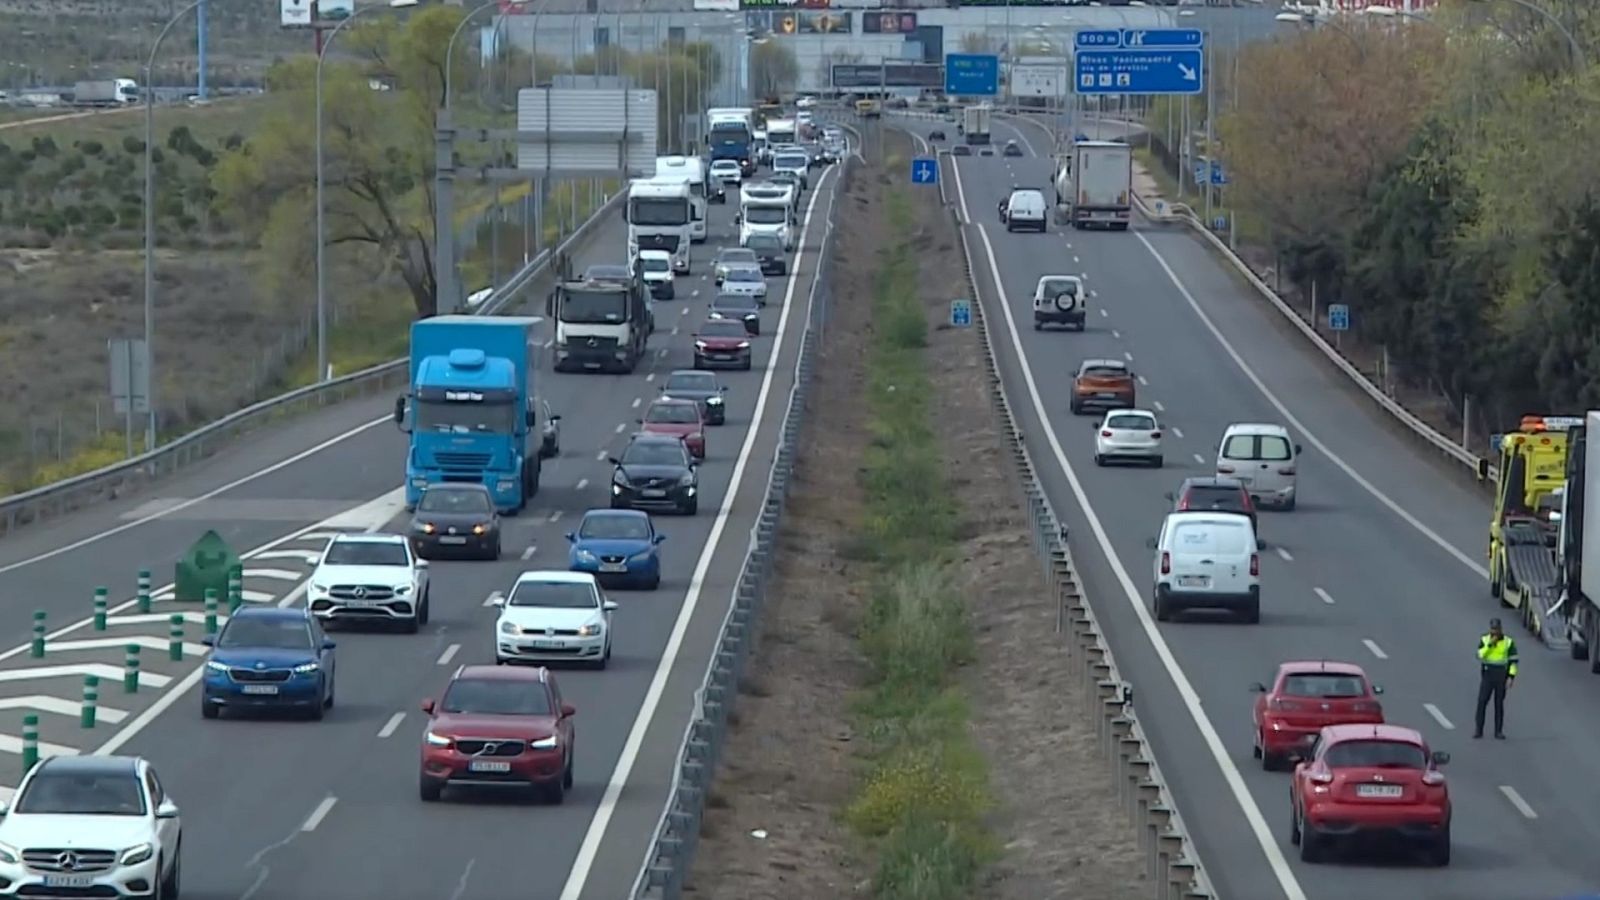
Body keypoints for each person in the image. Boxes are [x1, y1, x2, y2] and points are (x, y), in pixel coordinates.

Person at [1473, 617, 1519, 739]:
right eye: (1493, 629)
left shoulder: (1508, 642)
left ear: (1500, 629)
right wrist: (1490, 645)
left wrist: (1511, 677)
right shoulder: (1485, 639)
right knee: (1482, 702)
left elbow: (1513, 661)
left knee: (1499, 704)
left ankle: (1498, 731)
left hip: (1501, 676)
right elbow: (1479, 655)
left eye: (1497, 629)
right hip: (1488, 675)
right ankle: (1478, 730)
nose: (1495, 632)